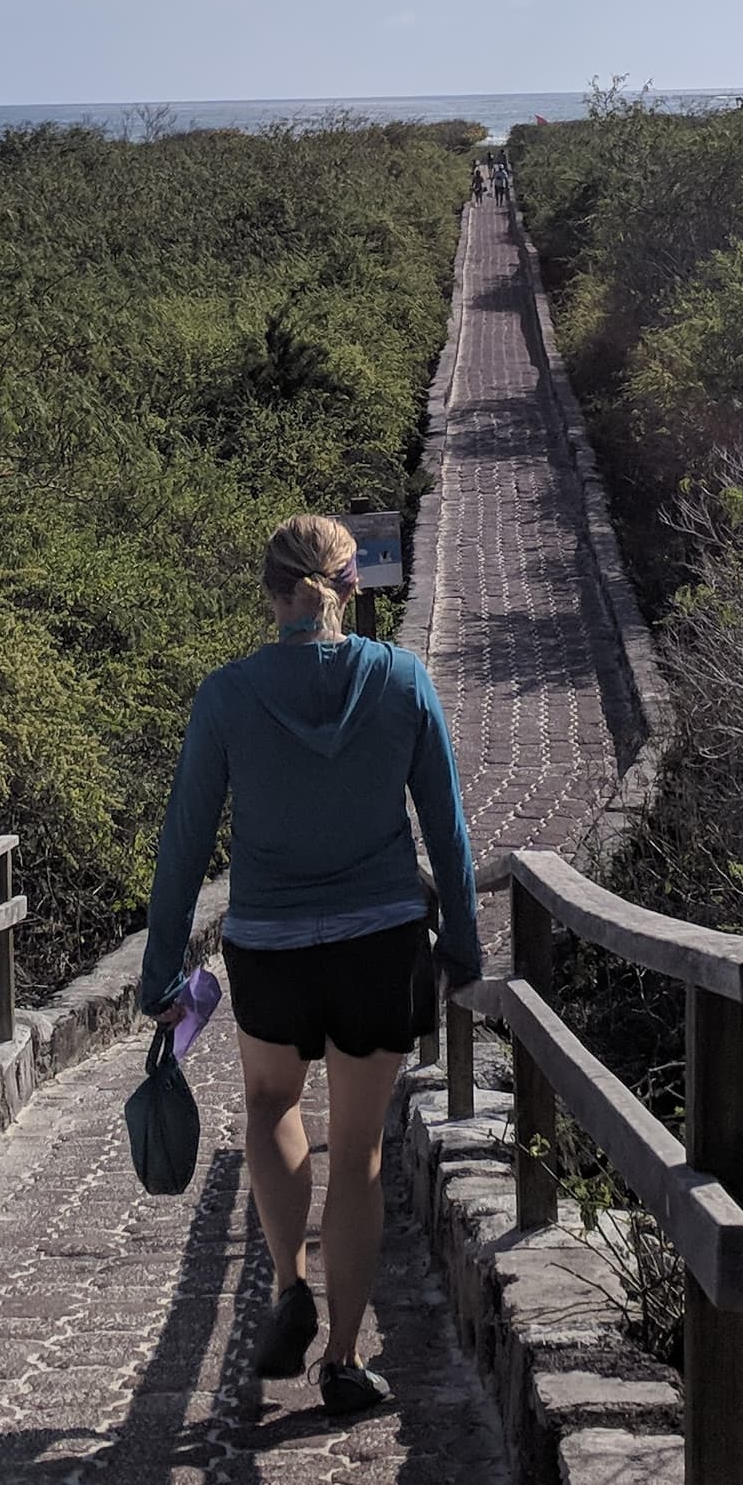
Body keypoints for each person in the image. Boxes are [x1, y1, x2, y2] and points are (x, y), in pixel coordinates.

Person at [141, 511, 484, 1414]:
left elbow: (182, 846)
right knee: (361, 1151)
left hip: (272, 947)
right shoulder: (403, 679)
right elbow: (446, 830)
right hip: (381, 942)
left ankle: (289, 1280)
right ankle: (342, 1357)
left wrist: (160, 971)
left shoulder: (226, 696)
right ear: (352, 588)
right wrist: (465, 948)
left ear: (270, 594)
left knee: (269, 1105)